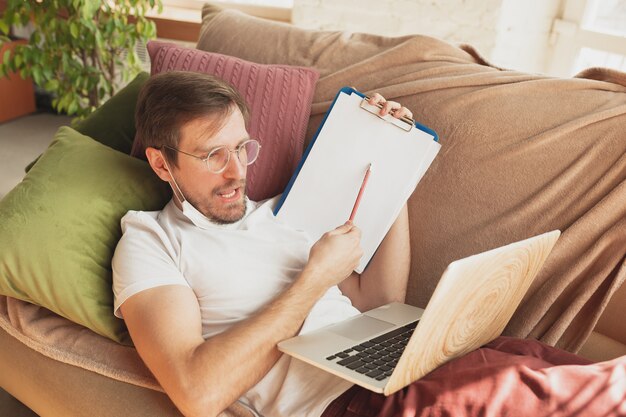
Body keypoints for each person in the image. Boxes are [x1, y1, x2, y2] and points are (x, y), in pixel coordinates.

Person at [113, 71, 626, 417]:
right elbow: (196, 391)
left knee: (541, 361)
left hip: (414, 357)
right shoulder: (151, 239)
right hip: (353, 403)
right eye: (211, 156)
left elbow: (381, 303)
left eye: (241, 148)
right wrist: (313, 280)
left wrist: (391, 163)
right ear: (162, 164)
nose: (235, 172)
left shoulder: (282, 214)